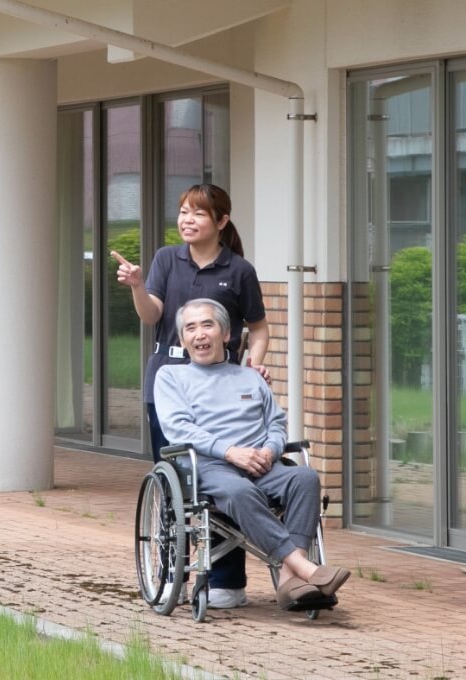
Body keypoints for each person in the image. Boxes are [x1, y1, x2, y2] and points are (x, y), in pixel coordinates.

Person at [110, 183, 271, 608]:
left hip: (222, 388)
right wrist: (138, 285)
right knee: (177, 487)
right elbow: (152, 316)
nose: (186, 220)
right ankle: (170, 577)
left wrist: (252, 364)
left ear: (221, 222)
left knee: (223, 479)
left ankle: (227, 581)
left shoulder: (239, 270)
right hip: (169, 382)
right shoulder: (167, 259)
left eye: (198, 213)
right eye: (183, 211)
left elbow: (258, 328)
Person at [155, 298, 347, 609]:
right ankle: (305, 568)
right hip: (211, 467)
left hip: (262, 464)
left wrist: (270, 452)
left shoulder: (251, 376)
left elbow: (276, 423)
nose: (200, 334)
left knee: (305, 478)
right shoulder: (171, 377)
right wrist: (230, 452)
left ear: (226, 332)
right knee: (239, 490)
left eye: (208, 325)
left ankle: (288, 578)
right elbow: (179, 429)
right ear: (182, 339)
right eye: (190, 328)